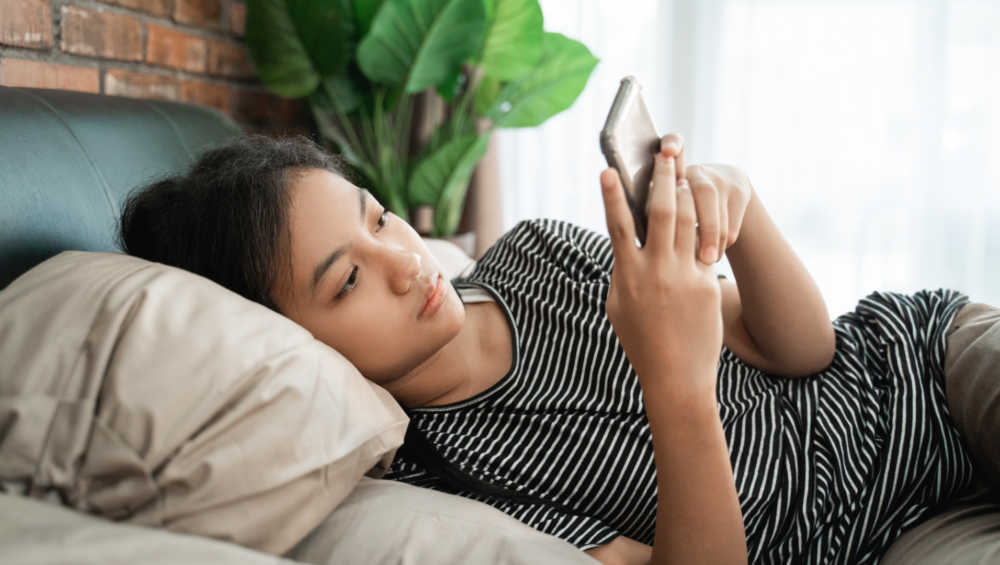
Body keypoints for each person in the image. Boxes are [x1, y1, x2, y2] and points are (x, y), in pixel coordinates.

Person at [119, 134, 999, 565]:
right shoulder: (444, 477)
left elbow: (808, 350)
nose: (403, 260)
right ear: (293, 344)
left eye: (377, 215)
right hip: (888, 535)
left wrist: (742, 207)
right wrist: (678, 385)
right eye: (346, 281)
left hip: (922, 366)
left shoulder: (538, 253)